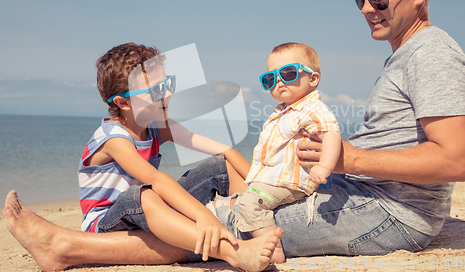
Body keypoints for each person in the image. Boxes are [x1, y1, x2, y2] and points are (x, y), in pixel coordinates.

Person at [4, 0, 465, 270]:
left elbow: (456, 160)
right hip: (372, 195)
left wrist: (351, 159)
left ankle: (67, 247)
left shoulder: (432, 54)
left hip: (390, 213)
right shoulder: (407, 55)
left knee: (209, 221)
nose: (367, 8)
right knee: (215, 206)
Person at [24, 42, 283, 272]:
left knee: (222, 166)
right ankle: (234, 253)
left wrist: (261, 188)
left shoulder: (159, 125)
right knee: (145, 194)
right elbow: (155, 180)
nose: (167, 94)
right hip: (108, 221)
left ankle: (256, 219)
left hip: (149, 207)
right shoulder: (114, 138)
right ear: (123, 103)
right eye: (156, 91)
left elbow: (224, 151)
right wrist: (203, 216)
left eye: (167, 84)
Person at [237, 42, 341, 261]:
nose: (279, 81)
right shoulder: (282, 112)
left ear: (313, 79)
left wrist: (324, 166)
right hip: (276, 180)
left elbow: (331, 134)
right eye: (270, 78)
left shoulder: (312, 109)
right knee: (244, 200)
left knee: (250, 203)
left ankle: (272, 250)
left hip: (292, 182)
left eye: (288, 73)